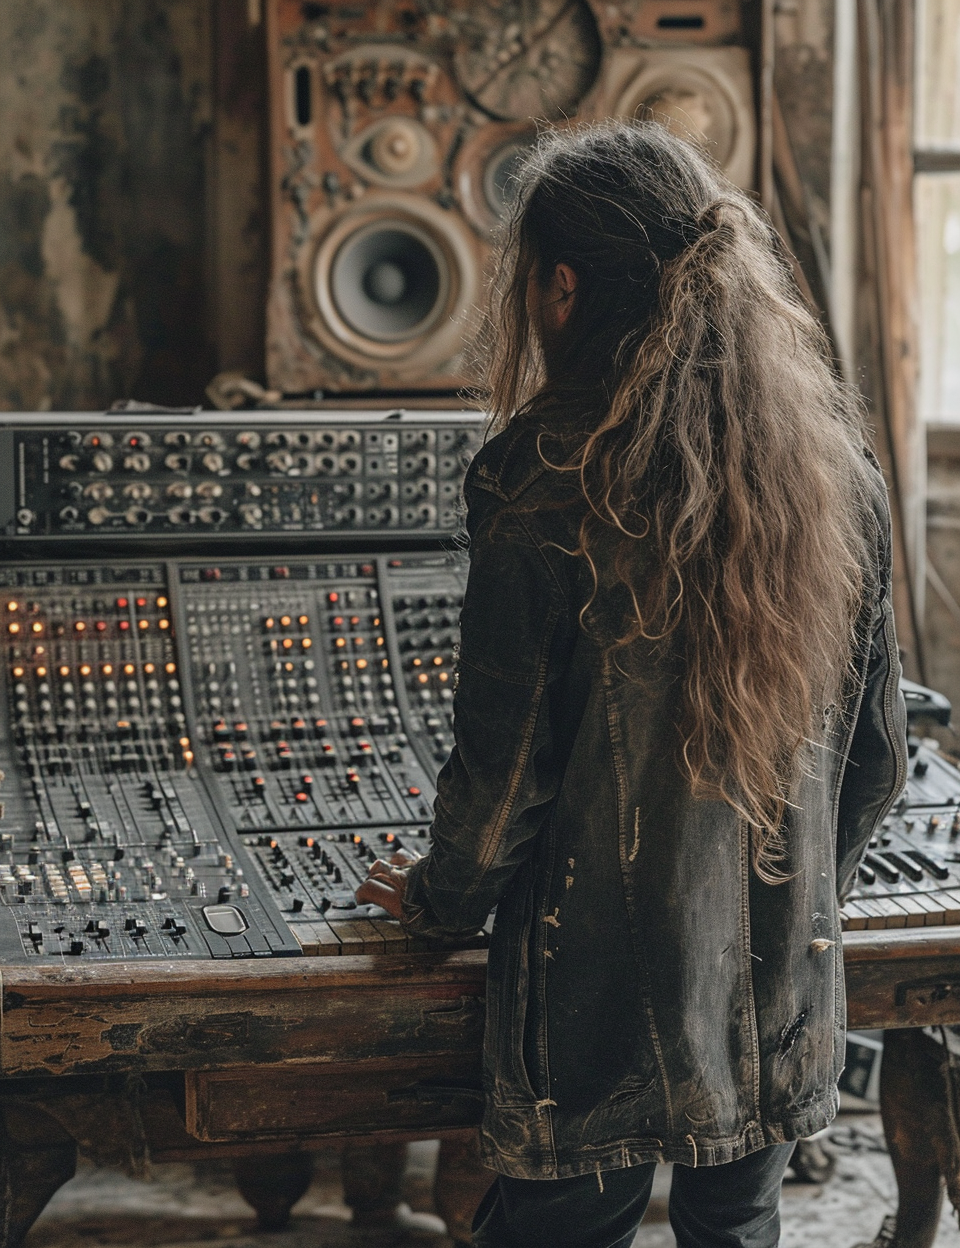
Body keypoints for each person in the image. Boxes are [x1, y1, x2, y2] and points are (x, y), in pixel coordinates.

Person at [356, 121, 908, 1248]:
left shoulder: (537, 474)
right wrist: (794, 899)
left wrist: (433, 904)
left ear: (559, 288)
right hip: (777, 986)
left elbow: (504, 780)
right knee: (739, 1223)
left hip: (592, 1002)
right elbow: (876, 761)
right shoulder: (840, 471)